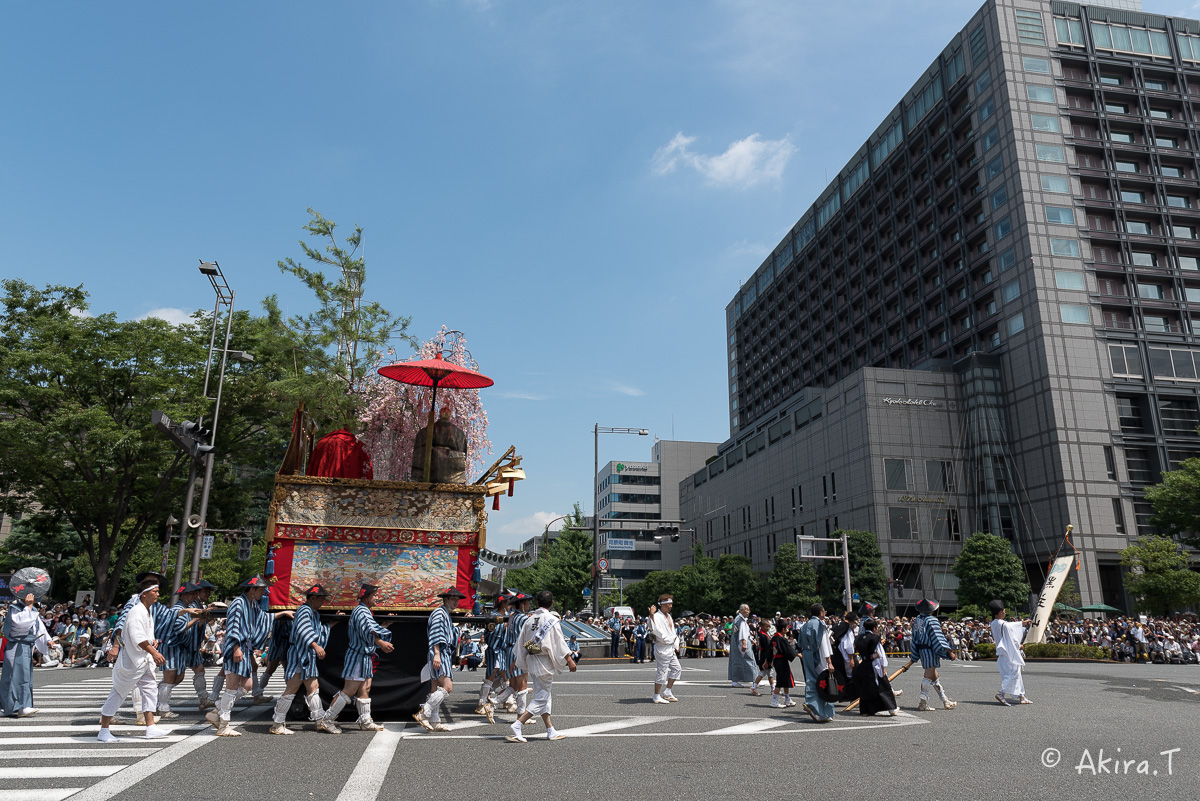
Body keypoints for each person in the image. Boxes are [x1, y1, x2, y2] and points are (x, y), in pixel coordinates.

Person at [206, 576, 294, 736]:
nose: (263, 592)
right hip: (236, 647)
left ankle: (217, 710)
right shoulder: (238, 604)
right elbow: (232, 627)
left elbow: (263, 618)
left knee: (247, 685)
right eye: (261, 589)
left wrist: (282, 613)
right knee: (231, 687)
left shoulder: (252, 604)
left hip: (244, 648)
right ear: (252, 589)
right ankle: (223, 725)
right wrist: (236, 648)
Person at [97, 579, 168, 742]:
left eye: (158, 591)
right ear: (144, 594)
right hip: (132, 661)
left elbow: (144, 635)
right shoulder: (137, 611)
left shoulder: (147, 610)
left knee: (150, 690)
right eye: (154, 591)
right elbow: (137, 638)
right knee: (118, 693)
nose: (158, 594)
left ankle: (150, 727)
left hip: (143, 661)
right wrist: (154, 652)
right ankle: (104, 730)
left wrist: (152, 641)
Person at [318, 582, 394, 733]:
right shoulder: (361, 611)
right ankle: (327, 720)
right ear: (366, 597)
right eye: (375, 595)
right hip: (358, 656)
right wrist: (381, 641)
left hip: (364, 656)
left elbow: (368, 631)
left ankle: (365, 721)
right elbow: (367, 632)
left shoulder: (364, 611)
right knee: (349, 691)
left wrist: (384, 626)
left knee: (365, 688)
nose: (377, 598)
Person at [506, 590, 577, 743]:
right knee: (542, 697)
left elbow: (521, 642)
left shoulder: (529, 620)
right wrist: (569, 660)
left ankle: (550, 729)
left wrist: (517, 659)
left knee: (544, 694)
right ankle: (518, 724)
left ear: (537, 603)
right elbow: (560, 642)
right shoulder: (551, 619)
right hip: (544, 661)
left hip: (532, 659)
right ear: (551, 603)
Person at [271, 583, 331, 735]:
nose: (323, 602)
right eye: (321, 599)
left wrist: (332, 624)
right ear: (312, 598)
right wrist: (315, 645)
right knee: (292, 688)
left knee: (313, 686)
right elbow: (304, 629)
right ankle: (277, 723)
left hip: (305, 653)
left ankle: (319, 720)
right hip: (300, 653)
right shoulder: (305, 610)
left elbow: (316, 629)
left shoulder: (313, 612)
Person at [414, 587, 464, 733]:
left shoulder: (445, 614)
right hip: (440, 653)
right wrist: (437, 653)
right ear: (445, 599)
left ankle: (434, 720)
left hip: (441, 653)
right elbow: (436, 634)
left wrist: (460, 626)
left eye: (457, 599)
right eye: (453, 598)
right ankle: (424, 712)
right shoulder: (439, 613)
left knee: (435, 687)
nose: (456, 602)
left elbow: (450, 634)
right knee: (447, 687)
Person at [1, 585, 51, 717]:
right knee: (17, 676)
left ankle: (13, 706)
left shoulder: (32, 609)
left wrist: (48, 640)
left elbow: (39, 628)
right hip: (17, 645)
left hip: (26, 646)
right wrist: (28, 607)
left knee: (23, 676)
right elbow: (21, 623)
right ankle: (20, 706)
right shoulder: (15, 608)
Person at [910, 597, 957, 711]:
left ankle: (945, 700)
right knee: (928, 676)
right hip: (929, 650)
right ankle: (923, 703)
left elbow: (914, 637)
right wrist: (949, 652)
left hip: (921, 649)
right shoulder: (932, 620)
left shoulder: (917, 620)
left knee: (935, 677)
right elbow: (939, 638)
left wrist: (915, 653)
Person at [475, 591, 510, 722]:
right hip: (495, 650)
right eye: (507, 602)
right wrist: (506, 623)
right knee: (492, 677)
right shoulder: (493, 615)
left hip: (503, 650)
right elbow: (491, 634)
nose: (509, 604)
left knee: (504, 677)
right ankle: (482, 703)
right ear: (502, 603)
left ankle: (505, 701)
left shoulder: (506, 614)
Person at [988, 600, 1032, 706]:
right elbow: (1011, 638)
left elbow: (1011, 625)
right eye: (1003, 610)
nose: (1005, 612)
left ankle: (1022, 696)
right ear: (999, 612)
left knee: (1015, 674)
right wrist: (1019, 645)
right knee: (1014, 674)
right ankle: (1001, 693)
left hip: (1002, 653)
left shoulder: (993, 623)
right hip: (1009, 653)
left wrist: (1022, 623)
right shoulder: (1004, 625)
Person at [852, 619, 898, 716]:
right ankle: (891, 709)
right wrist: (883, 667)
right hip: (874, 664)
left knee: (866, 687)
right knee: (884, 686)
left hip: (863, 664)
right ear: (874, 628)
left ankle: (865, 710)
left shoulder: (859, 638)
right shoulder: (875, 638)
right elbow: (879, 654)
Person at [798, 603, 835, 723]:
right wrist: (829, 661)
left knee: (811, 680)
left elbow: (799, 642)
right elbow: (824, 644)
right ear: (821, 613)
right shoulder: (820, 624)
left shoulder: (805, 624)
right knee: (825, 682)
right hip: (818, 655)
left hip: (807, 654)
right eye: (824, 611)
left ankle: (813, 704)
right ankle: (825, 712)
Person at [503, 592, 533, 718]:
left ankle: (493, 703)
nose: (529, 605)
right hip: (518, 651)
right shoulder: (524, 618)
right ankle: (521, 714)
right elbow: (527, 638)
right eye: (527, 602)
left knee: (513, 685)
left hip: (509, 650)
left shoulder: (511, 617)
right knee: (522, 683)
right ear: (521, 604)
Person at [648, 594, 681, 703]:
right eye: (668, 604)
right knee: (662, 672)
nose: (671, 606)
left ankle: (667, 691)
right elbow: (653, 628)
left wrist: (676, 644)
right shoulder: (657, 616)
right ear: (662, 605)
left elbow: (672, 632)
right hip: (662, 647)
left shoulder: (669, 616)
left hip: (670, 647)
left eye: (671, 604)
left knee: (677, 669)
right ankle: (656, 695)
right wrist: (651, 615)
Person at [831, 610, 859, 706]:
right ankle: (853, 698)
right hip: (845, 656)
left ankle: (841, 696)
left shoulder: (836, 626)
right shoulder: (847, 628)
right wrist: (851, 659)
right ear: (853, 621)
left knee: (840, 677)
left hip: (836, 654)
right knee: (852, 676)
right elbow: (848, 645)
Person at [770, 620, 798, 708]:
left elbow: (769, 650)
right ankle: (774, 700)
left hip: (776, 660)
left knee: (786, 679)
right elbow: (787, 650)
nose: (788, 630)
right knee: (781, 680)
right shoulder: (781, 639)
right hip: (781, 660)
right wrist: (797, 654)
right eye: (786, 628)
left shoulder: (774, 638)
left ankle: (787, 699)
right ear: (783, 629)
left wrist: (768, 660)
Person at [728, 604, 757, 688]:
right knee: (750, 660)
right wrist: (744, 643)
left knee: (736, 660)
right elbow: (742, 633)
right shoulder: (741, 620)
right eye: (746, 610)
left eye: (748, 610)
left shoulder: (737, 619)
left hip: (735, 641)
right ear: (741, 610)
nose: (748, 612)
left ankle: (735, 680)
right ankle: (755, 680)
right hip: (741, 641)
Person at [750, 618, 772, 697]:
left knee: (770, 673)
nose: (768, 628)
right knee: (763, 672)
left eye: (769, 626)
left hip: (764, 654)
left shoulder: (763, 634)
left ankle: (773, 689)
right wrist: (767, 659)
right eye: (766, 626)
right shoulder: (763, 635)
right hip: (764, 655)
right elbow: (767, 648)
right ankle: (754, 687)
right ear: (762, 626)